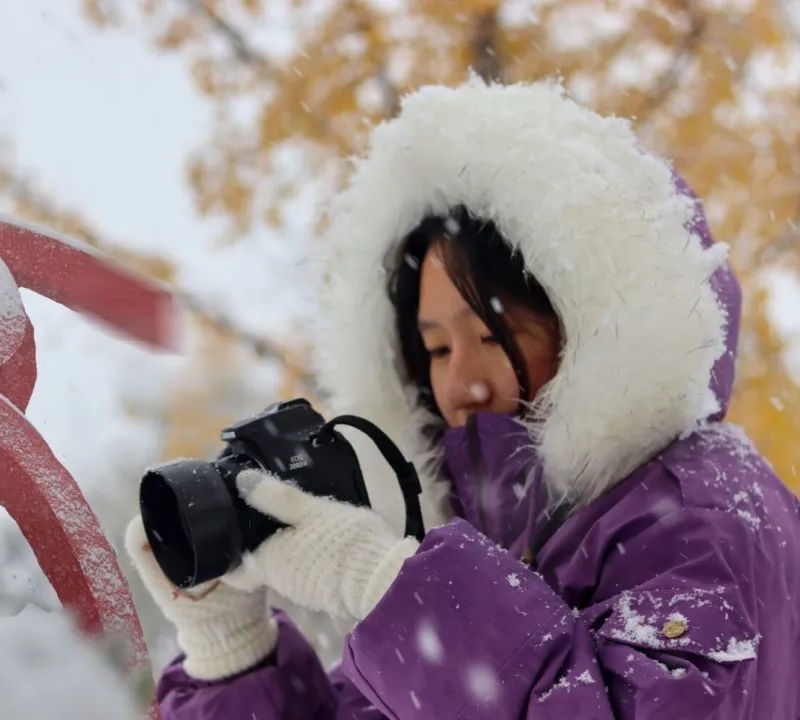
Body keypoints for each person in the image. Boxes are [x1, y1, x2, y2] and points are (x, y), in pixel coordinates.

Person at [125, 79, 800, 719]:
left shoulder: (710, 514)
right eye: (438, 349)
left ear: (595, 323)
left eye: (493, 333)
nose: (462, 383)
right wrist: (230, 649)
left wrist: (389, 584)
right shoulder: (491, 544)